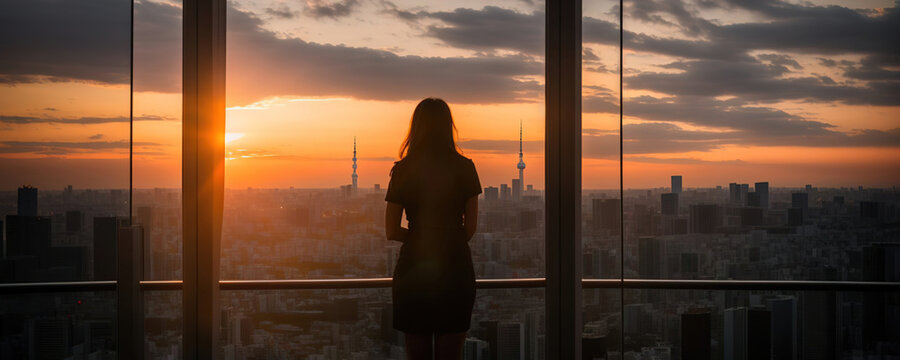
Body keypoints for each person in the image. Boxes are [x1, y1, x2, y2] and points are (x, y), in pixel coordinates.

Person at [384, 98, 481, 360]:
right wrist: (446, 237)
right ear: (449, 127)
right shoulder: (465, 168)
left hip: (414, 268)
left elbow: (391, 230)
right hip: (455, 268)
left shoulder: (403, 170)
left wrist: (419, 237)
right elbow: (470, 228)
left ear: (415, 128)